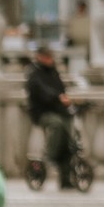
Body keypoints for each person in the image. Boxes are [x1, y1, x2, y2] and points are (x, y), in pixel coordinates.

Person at [26, 44, 78, 187]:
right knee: (56, 124)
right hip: (42, 113)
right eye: (47, 57)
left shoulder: (53, 72)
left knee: (69, 139)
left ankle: (66, 178)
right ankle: (50, 154)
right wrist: (57, 97)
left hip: (58, 111)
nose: (50, 59)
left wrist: (66, 99)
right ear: (40, 57)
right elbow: (42, 91)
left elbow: (61, 89)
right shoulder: (34, 74)